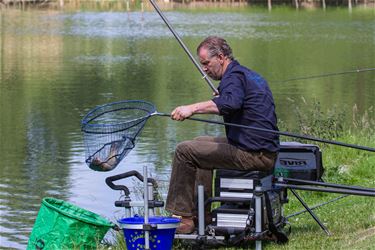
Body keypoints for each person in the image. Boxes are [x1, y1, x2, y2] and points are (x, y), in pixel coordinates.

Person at [165, 36, 279, 234]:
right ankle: (201, 213)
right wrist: (221, 98)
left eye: (207, 63)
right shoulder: (243, 74)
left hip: (254, 154)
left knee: (184, 151)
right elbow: (233, 101)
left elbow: (230, 103)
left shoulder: (233, 78)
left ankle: (183, 218)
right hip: (258, 148)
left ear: (220, 57)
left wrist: (192, 108)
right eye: (202, 65)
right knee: (199, 143)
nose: (205, 69)